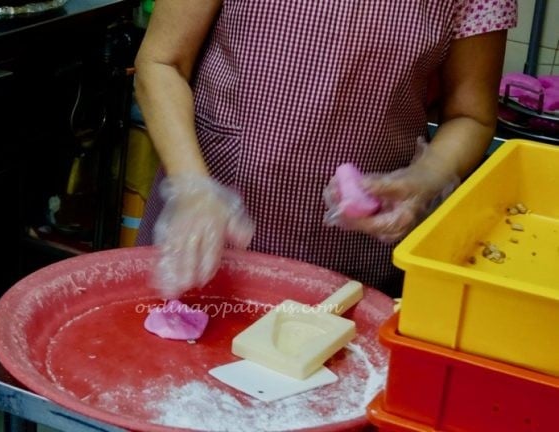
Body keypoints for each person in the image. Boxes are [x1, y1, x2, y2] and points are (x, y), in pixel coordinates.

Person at [133, 0, 517, 299]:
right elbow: (162, 62)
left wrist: (426, 177)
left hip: (352, 258)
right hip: (205, 232)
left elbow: (470, 116)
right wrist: (193, 186)